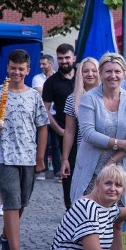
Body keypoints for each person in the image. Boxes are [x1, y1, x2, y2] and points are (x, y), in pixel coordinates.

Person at [0, 49, 49, 250]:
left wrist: (40, 158)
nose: (16, 72)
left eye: (21, 69)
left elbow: (42, 126)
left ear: (28, 70)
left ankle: (5, 236)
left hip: (28, 156)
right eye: (13, 68)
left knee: (22, 204)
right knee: (11, 200)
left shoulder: (34, 96)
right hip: (3, 156)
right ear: (7, 68)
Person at [70, 53, 126, 210]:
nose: (113, 76)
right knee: (88, 213)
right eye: (108, 71)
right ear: (100, 73)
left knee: (119, 218)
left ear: (124, 73)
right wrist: (120, 143)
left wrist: (112, 161)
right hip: (91, 168)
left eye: (117, 71)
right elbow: (88, 133)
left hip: (120, 170)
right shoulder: (89, 99)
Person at [60, 57, 99, 210]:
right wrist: (64, 159)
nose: (90, 74)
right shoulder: (72, 99)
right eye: (86, 71)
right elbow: (69, 131)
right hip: (83, 153)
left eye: (94, 70)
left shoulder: (107, 97)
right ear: (80, 74)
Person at [43, 45, 77, 183]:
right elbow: (44, 110)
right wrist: (59, 130)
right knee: (69, 171)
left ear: (73, 58)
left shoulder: (83, 75)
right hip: (65, 132)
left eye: (67, 57)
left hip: (87, 131)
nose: (64, 61)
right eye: (60, 58)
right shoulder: (51, 82)